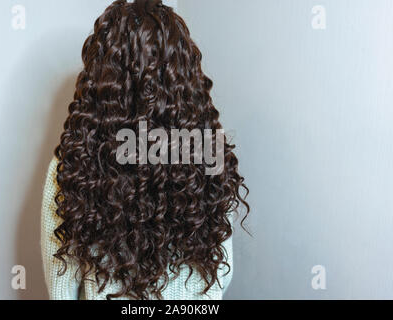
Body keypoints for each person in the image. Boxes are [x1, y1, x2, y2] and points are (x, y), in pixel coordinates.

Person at [41, 0, 249, 300]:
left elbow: (62, 289)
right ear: (183, 76)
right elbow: (220, 276)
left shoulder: (74, 165)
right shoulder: (206, 156)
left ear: (101, 80)